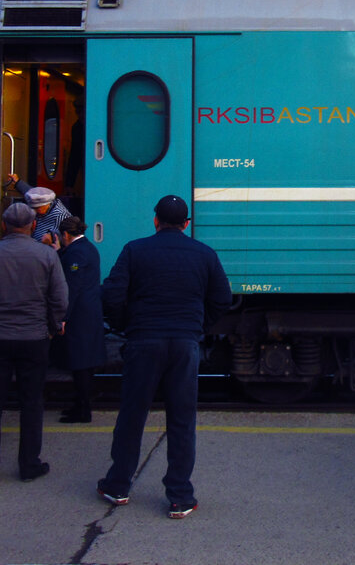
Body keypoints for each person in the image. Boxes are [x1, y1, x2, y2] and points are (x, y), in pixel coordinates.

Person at [96, 194, 231, 519]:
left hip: (144, 341)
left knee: (132, 414)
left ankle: (118, 486)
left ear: (155, 220)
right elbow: (223, 299)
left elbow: (112, 294)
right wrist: (197, 325)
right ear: (187, 224)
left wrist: (125, 325)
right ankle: (180, 496)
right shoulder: (204, 254)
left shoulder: (135, 250)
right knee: (182, 419)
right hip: (185, 344)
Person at [0, 202, 68, 483]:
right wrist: (51, 326)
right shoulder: (46, 255)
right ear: (33, 225)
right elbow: (59, 299)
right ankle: (29, 465)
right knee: (32, 402)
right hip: (34, 339)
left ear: (3, 225)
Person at [52, 216, 107, 423]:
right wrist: (59, 251)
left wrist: (63, 317)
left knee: (80, 365)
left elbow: (72, 286)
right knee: (83, 365)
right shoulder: (87, 248)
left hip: (79, 316)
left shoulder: (77, 253)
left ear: (65, 235)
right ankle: (80, 406)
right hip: (88, 313)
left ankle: (83, 410)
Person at [4, 174, 71, 248]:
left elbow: (65, 234)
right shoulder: (43, 203)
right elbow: (32, 194)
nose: (34, 212)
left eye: (37, 208)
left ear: (47, 205)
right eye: (32, 208)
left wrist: (52, 236)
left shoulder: (61, 216)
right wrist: (18, 182)